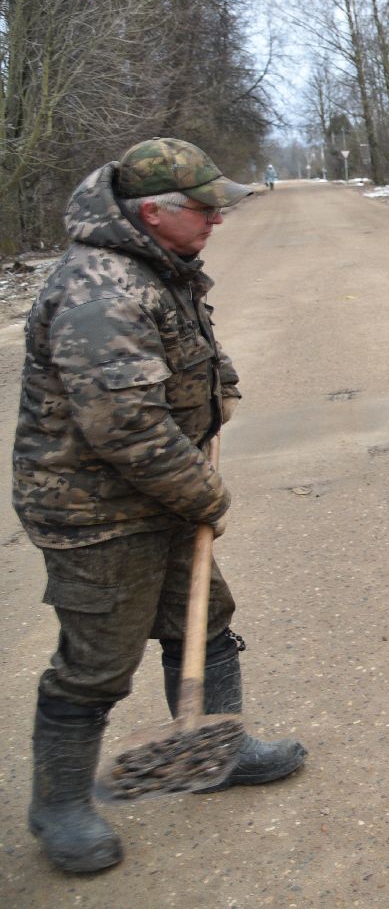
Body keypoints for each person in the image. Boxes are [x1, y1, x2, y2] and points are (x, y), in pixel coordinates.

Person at [15, 138, 306, 874]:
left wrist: (222, 385)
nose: (217, 220)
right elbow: (124, 425)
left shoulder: (158, 265)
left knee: (206, 622)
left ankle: (220, 744)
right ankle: (60, 807)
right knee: (97, 664)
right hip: (95, 513)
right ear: (155, 211)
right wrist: (204, 492)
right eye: (205, 210)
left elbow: (190, 347)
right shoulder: (100, 290)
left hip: (160, 495)